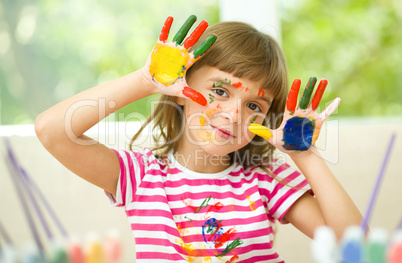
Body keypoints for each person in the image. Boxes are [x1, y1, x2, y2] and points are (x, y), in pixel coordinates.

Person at [35, 15, 362, 262]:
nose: (234, 115)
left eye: (253, 106)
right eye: (219, 91)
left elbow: (354, 244)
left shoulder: (266, 178)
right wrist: (145, 80)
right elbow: (51, 130)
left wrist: (306, 156)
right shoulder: (141, 176)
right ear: (181, 90)